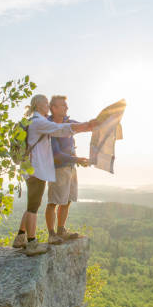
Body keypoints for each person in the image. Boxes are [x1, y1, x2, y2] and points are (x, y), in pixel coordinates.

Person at [12, 94, 95, 256]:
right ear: (38, 105)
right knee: (33, 207)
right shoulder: (38, 122)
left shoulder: (31, 121)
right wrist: (86, 126)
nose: (47, 106)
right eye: (45, 104)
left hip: (31, 168)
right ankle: (32, 243)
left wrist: (86, 125)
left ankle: (20, 237)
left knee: (32, 205)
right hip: (36, 169)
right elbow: (60, 129)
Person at [45, 95, 90, 244]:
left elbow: (86, 125)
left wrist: (103, 122)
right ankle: (51, 234)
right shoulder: (49, 126)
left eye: (66, 105)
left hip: (71, 167)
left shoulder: (68, 122)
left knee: (67, 200)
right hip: (58, 168)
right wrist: (76, 159)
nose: (67, 108)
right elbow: (56, 154)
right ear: (54, 108)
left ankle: (61, 230)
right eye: (63, 105)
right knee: (54, 202)